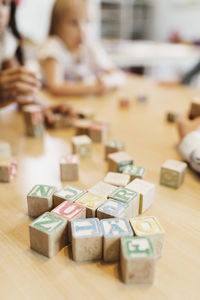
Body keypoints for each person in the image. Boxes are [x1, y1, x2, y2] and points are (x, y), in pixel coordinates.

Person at [38, 0, 125, 97]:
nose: (82, 30)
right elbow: (55, 87)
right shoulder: (52, 47)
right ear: (57, 25)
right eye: (74, 23)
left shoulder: (89, 47)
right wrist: (94, 87)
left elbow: (118, 74)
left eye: (87, 22)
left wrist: (107, 82)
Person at [0, 0, 40, 108]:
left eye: (4, 3)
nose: (1, 12)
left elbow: (19, 86)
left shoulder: (5, 42)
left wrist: (44, 107)